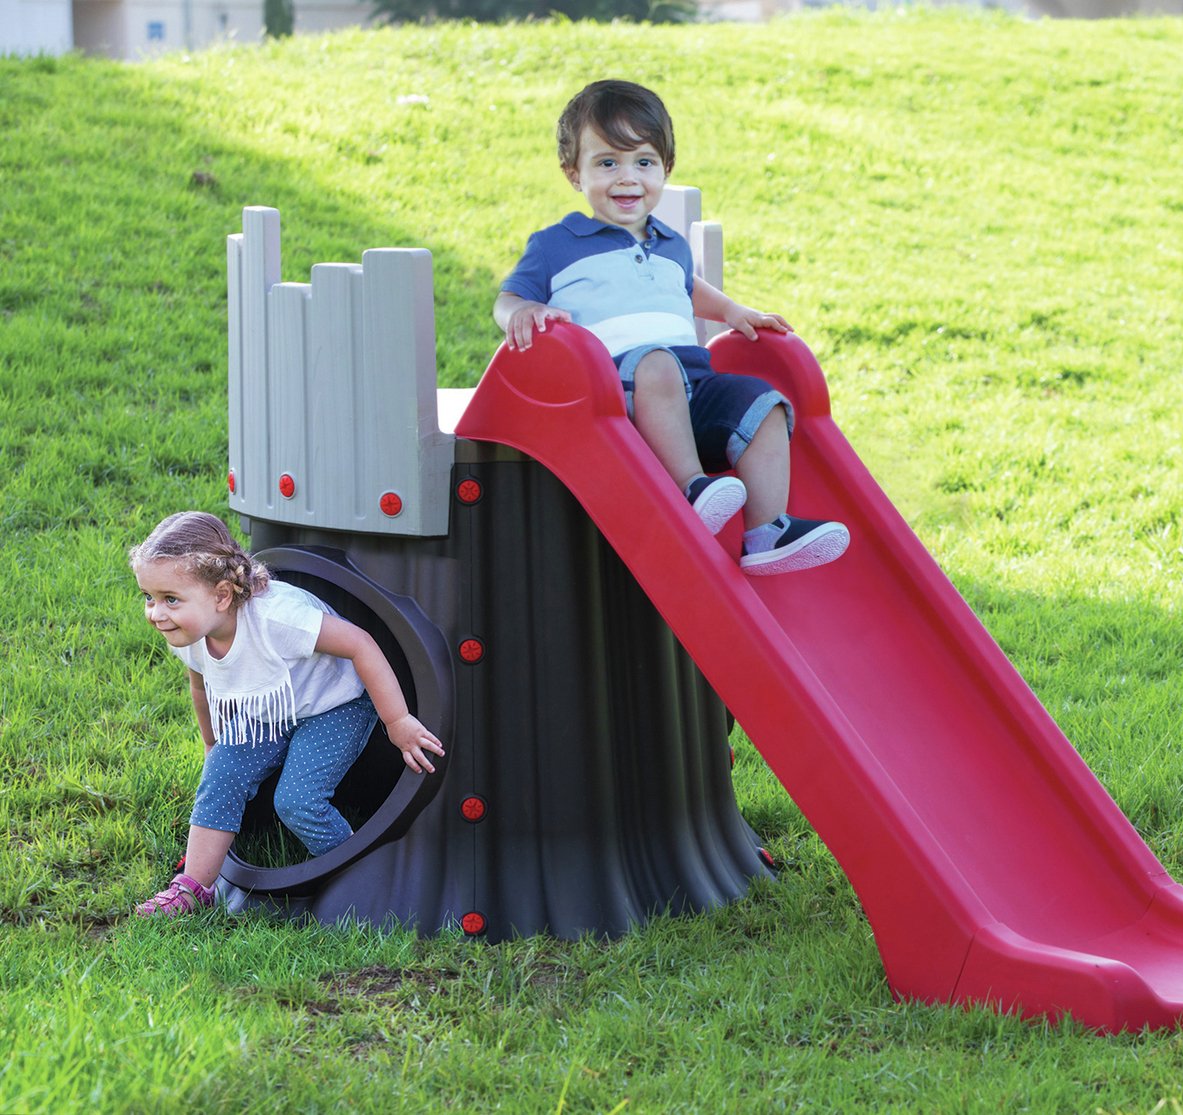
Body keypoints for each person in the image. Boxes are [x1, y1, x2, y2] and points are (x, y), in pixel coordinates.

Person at [493, 79, 849, 577]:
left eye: (643, 162)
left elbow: (688, 286)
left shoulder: (670, 244)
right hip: (617, 403)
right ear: (574, 173)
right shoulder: (557, 244)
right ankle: (689, 488)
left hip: (692, 389)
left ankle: (767, 531)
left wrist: (733, 312)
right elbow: (509, 298)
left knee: (762, 401)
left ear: (666, 168)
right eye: (607, 162)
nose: (627, 178)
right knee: (657, 364)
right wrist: (521, 313)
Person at [129, 511, 445, 917]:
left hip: (333, 703)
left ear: (222, 595)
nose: (156, 613)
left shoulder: (278, 619)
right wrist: (212, 744)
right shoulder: (188, 632)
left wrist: (397, 721)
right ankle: (194, 887)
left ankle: (359, 876)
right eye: (149, 598)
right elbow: (200, 685)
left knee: (297, 800)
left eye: (170, 599)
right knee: (220, 777)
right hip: (267, 708)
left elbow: (362, 644)